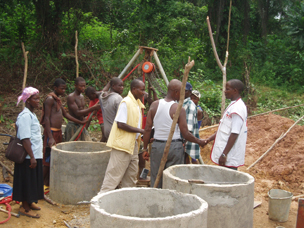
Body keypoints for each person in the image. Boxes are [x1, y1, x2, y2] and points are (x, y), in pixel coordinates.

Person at [142, 79, 207, 188]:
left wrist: (145, 148)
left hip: (157, 147)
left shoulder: (154, 105)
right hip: (174, 147)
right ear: (176, 92)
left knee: (156, 177)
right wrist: (199, 141)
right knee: (173, 178)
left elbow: (148, 129)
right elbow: (185, 133)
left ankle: (157, 199)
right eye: (181, 92)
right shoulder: (178, 109)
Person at [99, 79, 145, 193]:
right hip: (122, 145)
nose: (144, 92)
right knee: (113, 176)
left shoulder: (137, 104)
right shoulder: (126, 102)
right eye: (142, 89)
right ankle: (100, 201)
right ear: (134, 89)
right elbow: (121, 124)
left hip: (133, 144)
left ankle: (126, 201)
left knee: (131, 176)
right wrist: (141, 130)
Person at [40, 78, 87, 187]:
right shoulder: (50, 99)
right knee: (47, 159)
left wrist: (81, 121)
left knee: (54, 158)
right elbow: (46, 118)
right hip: (51, 132)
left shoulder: (57, 100)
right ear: (55, 88)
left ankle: (47, 183)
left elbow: (66, 115)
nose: (64, 91)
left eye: (65, 89)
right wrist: (50, 137)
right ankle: (40, 184)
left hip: (58, 132)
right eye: (62, 89)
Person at [13, 87, 44, 218]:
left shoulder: (32, 115)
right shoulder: (25, 116)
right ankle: (24, 208)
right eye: (35, 99)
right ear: (28, 100)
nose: (38, 101)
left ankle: (30, 202)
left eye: (38, 98)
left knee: (32, 180)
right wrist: (31, 156)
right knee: (26, 180)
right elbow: (25, 138)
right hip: (27, 156)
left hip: (35, 154)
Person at [205, 79, 248, 170]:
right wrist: (208, 140)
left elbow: (234, 133)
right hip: (226, 154)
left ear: (235, 91)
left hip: (229, 156)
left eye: (227, 89)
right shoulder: (233, 105)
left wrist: (224, 154)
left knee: (226, 181)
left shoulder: (237, 108)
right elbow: (224, 128)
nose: (225, 91)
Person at [64, 77, 100, 141]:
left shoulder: (82, 97)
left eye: (84, 86)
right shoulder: (71, 97)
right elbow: (77, 113)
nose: (83, 88)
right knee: (73, 147)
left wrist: (91, 112)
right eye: (81, 86)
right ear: (75, 86)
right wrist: (92, 108)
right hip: (73, 125)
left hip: (81, 125)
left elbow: (82, 112)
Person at [98, 77, 124, 141]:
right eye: (120, 86)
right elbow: (121, 119)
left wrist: (109, 83)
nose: (122, 88)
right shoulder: (118, 98)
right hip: (115, 131)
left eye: (123, 86)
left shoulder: (103, 97)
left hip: (107, 131)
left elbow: (103, 91)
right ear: (113, 86)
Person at [183, 85, 200, 164]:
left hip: (188, 139)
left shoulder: (192, 107)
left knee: (188, 158)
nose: (193, 100)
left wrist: (183, 143)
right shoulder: (181, 103)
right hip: (186, 138)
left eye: (195, 99)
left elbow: (188, 129)